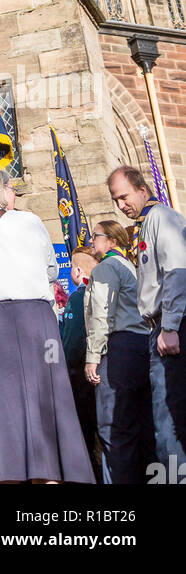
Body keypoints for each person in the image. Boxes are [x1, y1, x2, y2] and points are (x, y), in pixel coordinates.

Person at [0, 159, 95, 484]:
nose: (14, 194)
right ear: (1, 192)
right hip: (36, 322)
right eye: (12, 188)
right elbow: (52, 271)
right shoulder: (30, 223)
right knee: (46, 410)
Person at [108, 166, 186, 469]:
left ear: (142, 189)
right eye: (116, 200)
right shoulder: (147, 222)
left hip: (170, 327)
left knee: (169, 422)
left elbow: (177, 272)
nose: (121, 205)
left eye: (124, 196)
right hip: (159, 329)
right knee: (164, 419)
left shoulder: (161, 218)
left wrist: (170, 326)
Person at [84, 218, 155, 484]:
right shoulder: (130, 266)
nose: (92, 241)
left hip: (118, 349)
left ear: (112, 241)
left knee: (114, 428)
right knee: (143, 424)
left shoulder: (106, 268)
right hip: (140, 346)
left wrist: (92, 357)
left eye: (96, 236)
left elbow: (102, 315)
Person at [60, 247, 101, 476]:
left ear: (76, 270)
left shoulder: (78, 297)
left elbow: (73, 341)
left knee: (87, 428)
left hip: (82, 374)